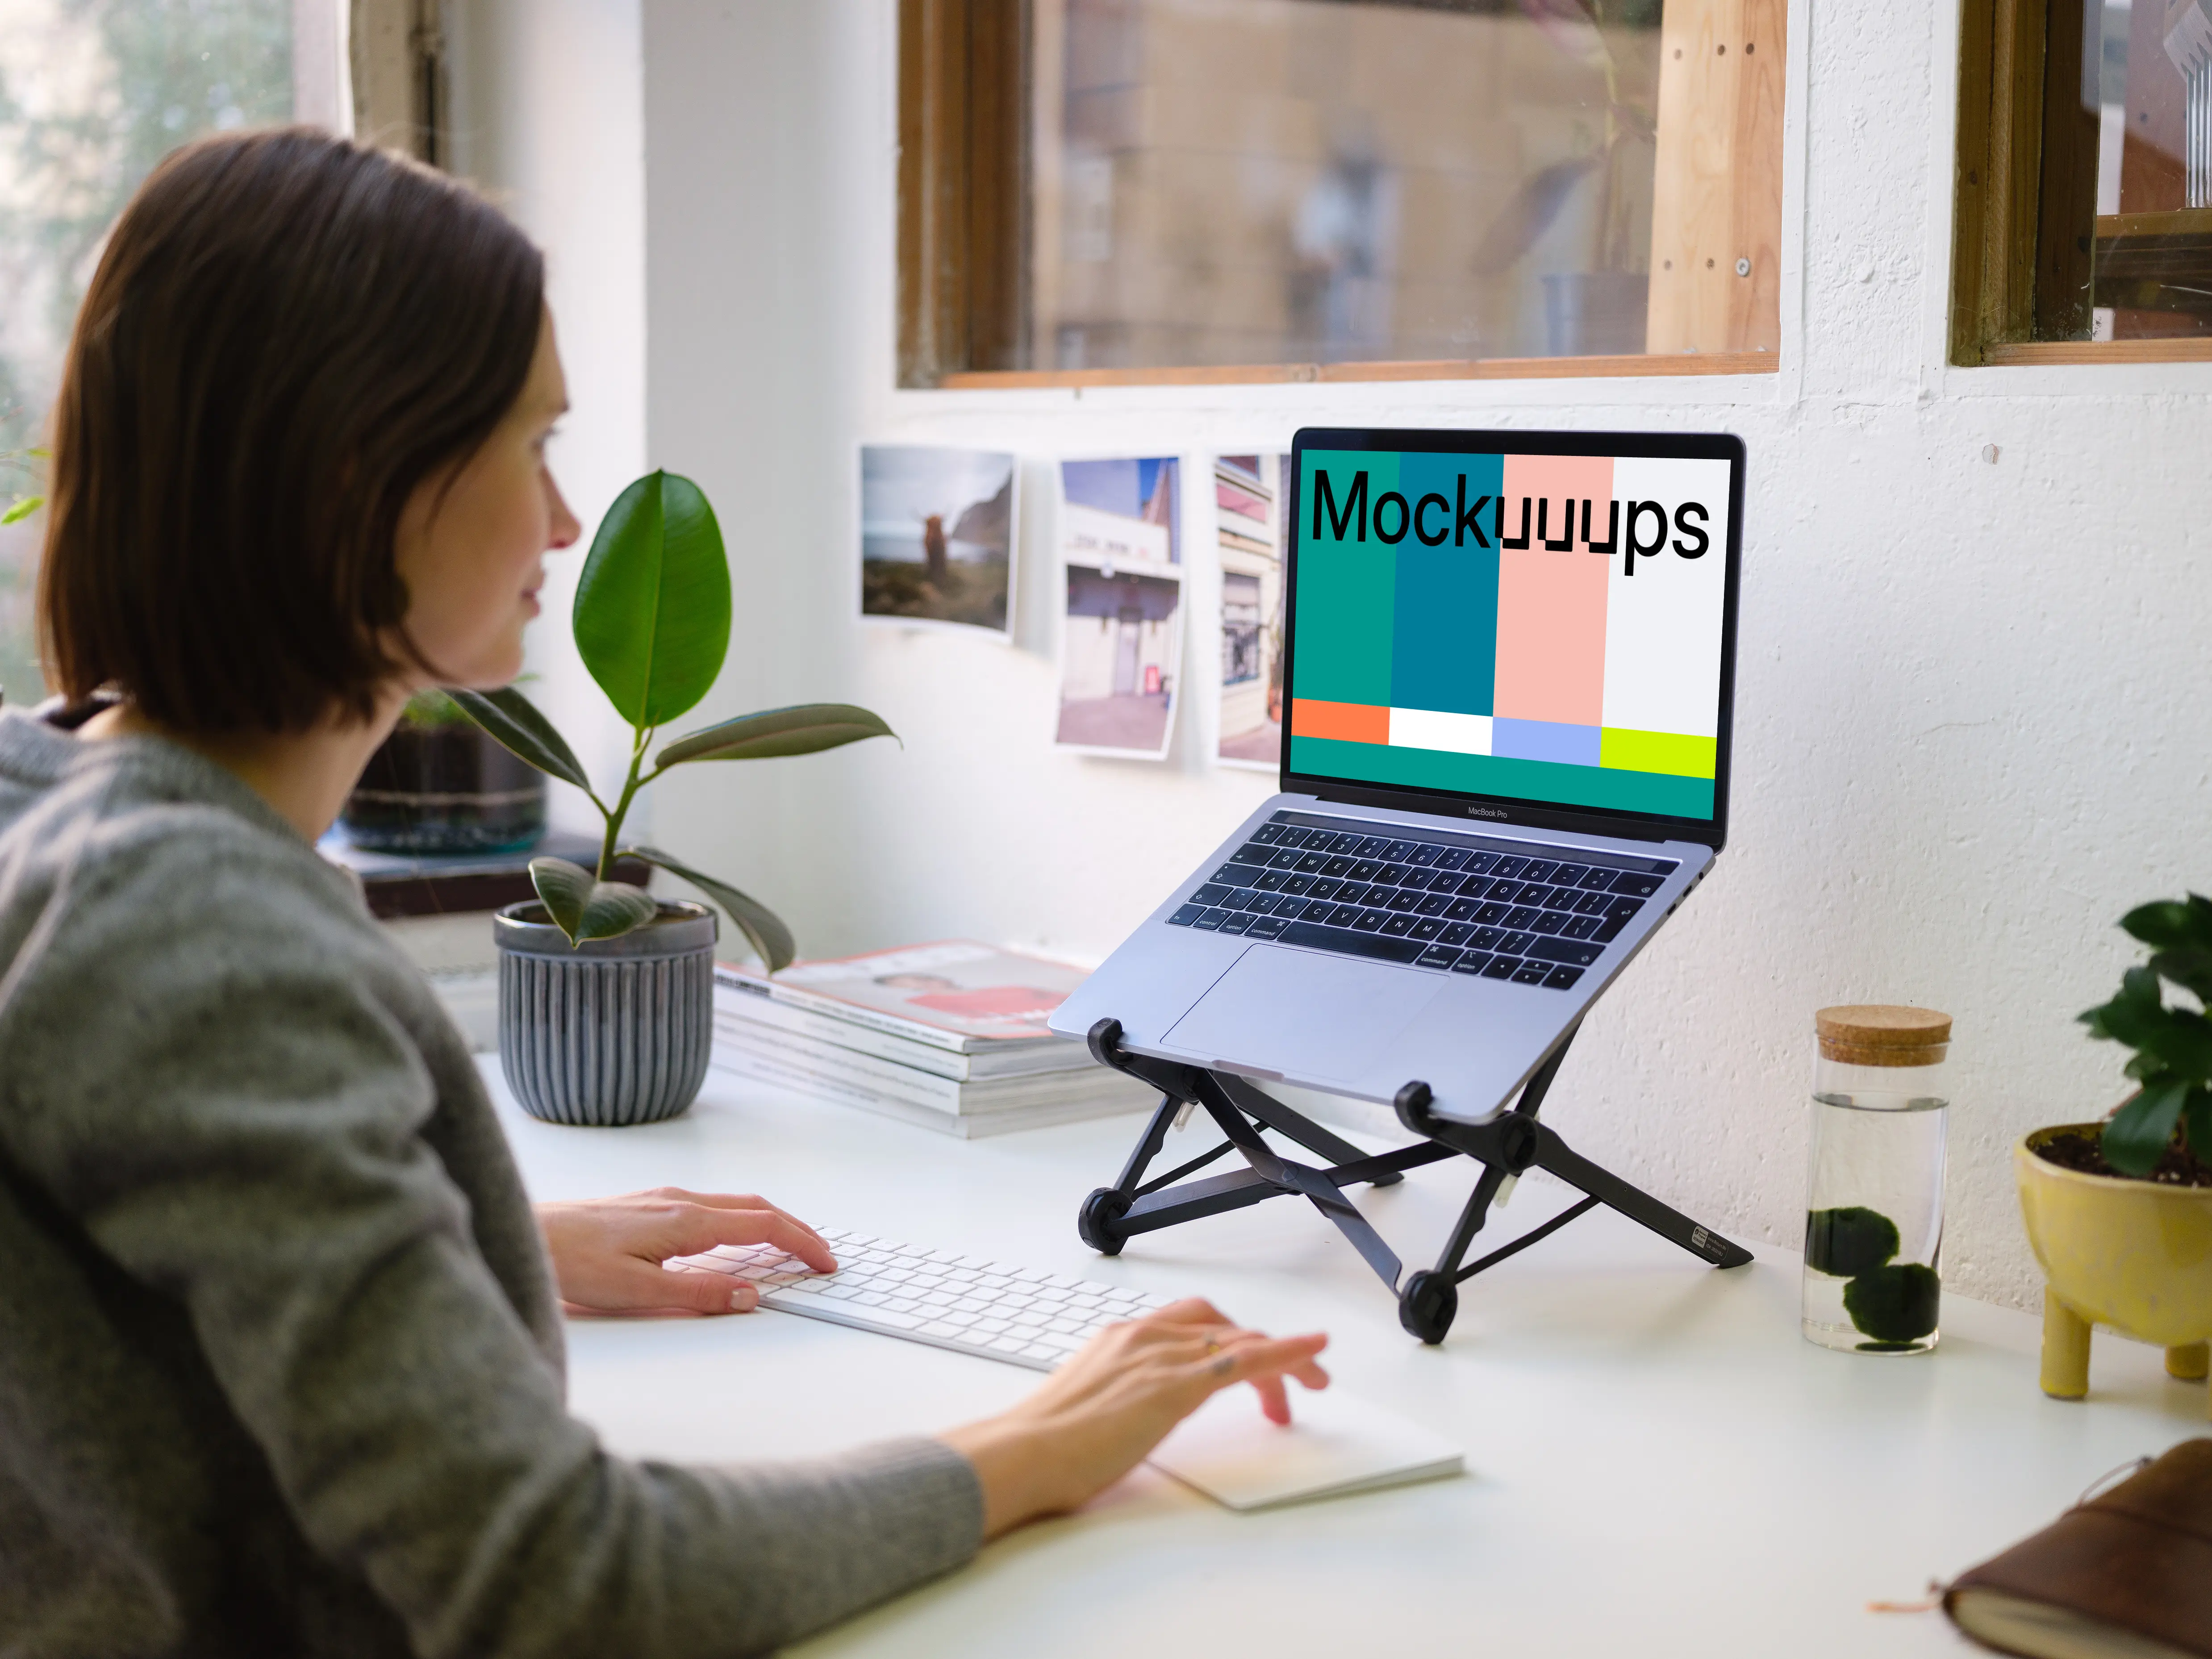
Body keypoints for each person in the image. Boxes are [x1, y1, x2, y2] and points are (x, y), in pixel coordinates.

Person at [0, 128, 1328, 1657]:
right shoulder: (198, 935)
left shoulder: (46, 804)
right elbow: (563, 1583)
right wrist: (1034, 1448)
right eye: (531, 446)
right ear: (365, 480)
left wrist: (464, 1253)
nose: (567, 524)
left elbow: (117, 1231)